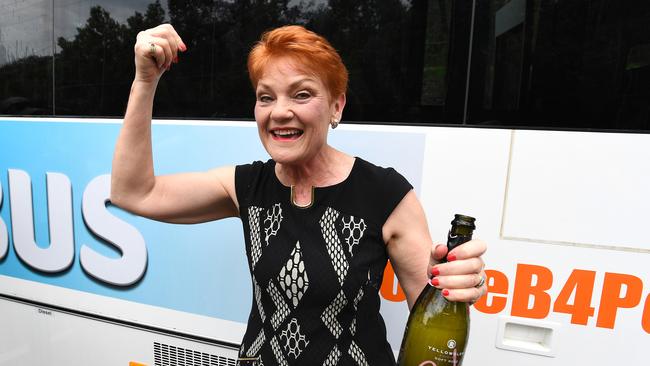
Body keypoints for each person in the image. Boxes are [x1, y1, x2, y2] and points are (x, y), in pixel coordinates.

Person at [111, 24, 488, 365]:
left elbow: (431, 308)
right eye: (266, 97)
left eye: (301, 94)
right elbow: (135, 194)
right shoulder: (245, 186)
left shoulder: (386, 194)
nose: (280, 112)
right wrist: (145, 81)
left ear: (336, 106)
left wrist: (457, 283)